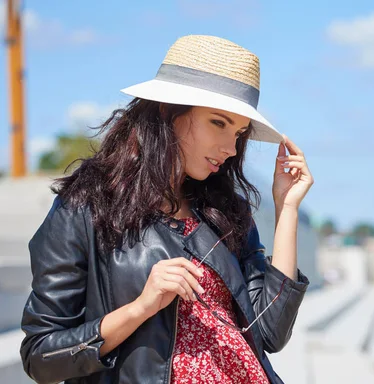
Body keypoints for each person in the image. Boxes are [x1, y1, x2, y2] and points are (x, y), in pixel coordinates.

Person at [20, 35, 313, 384]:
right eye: (218, 123)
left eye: (239, 133)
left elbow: (269, 334)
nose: (230, 148)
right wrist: (141, 307)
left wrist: (287, 207)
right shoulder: (86, 208)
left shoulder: (226, 214)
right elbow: (41, 356)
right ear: (167, 111)